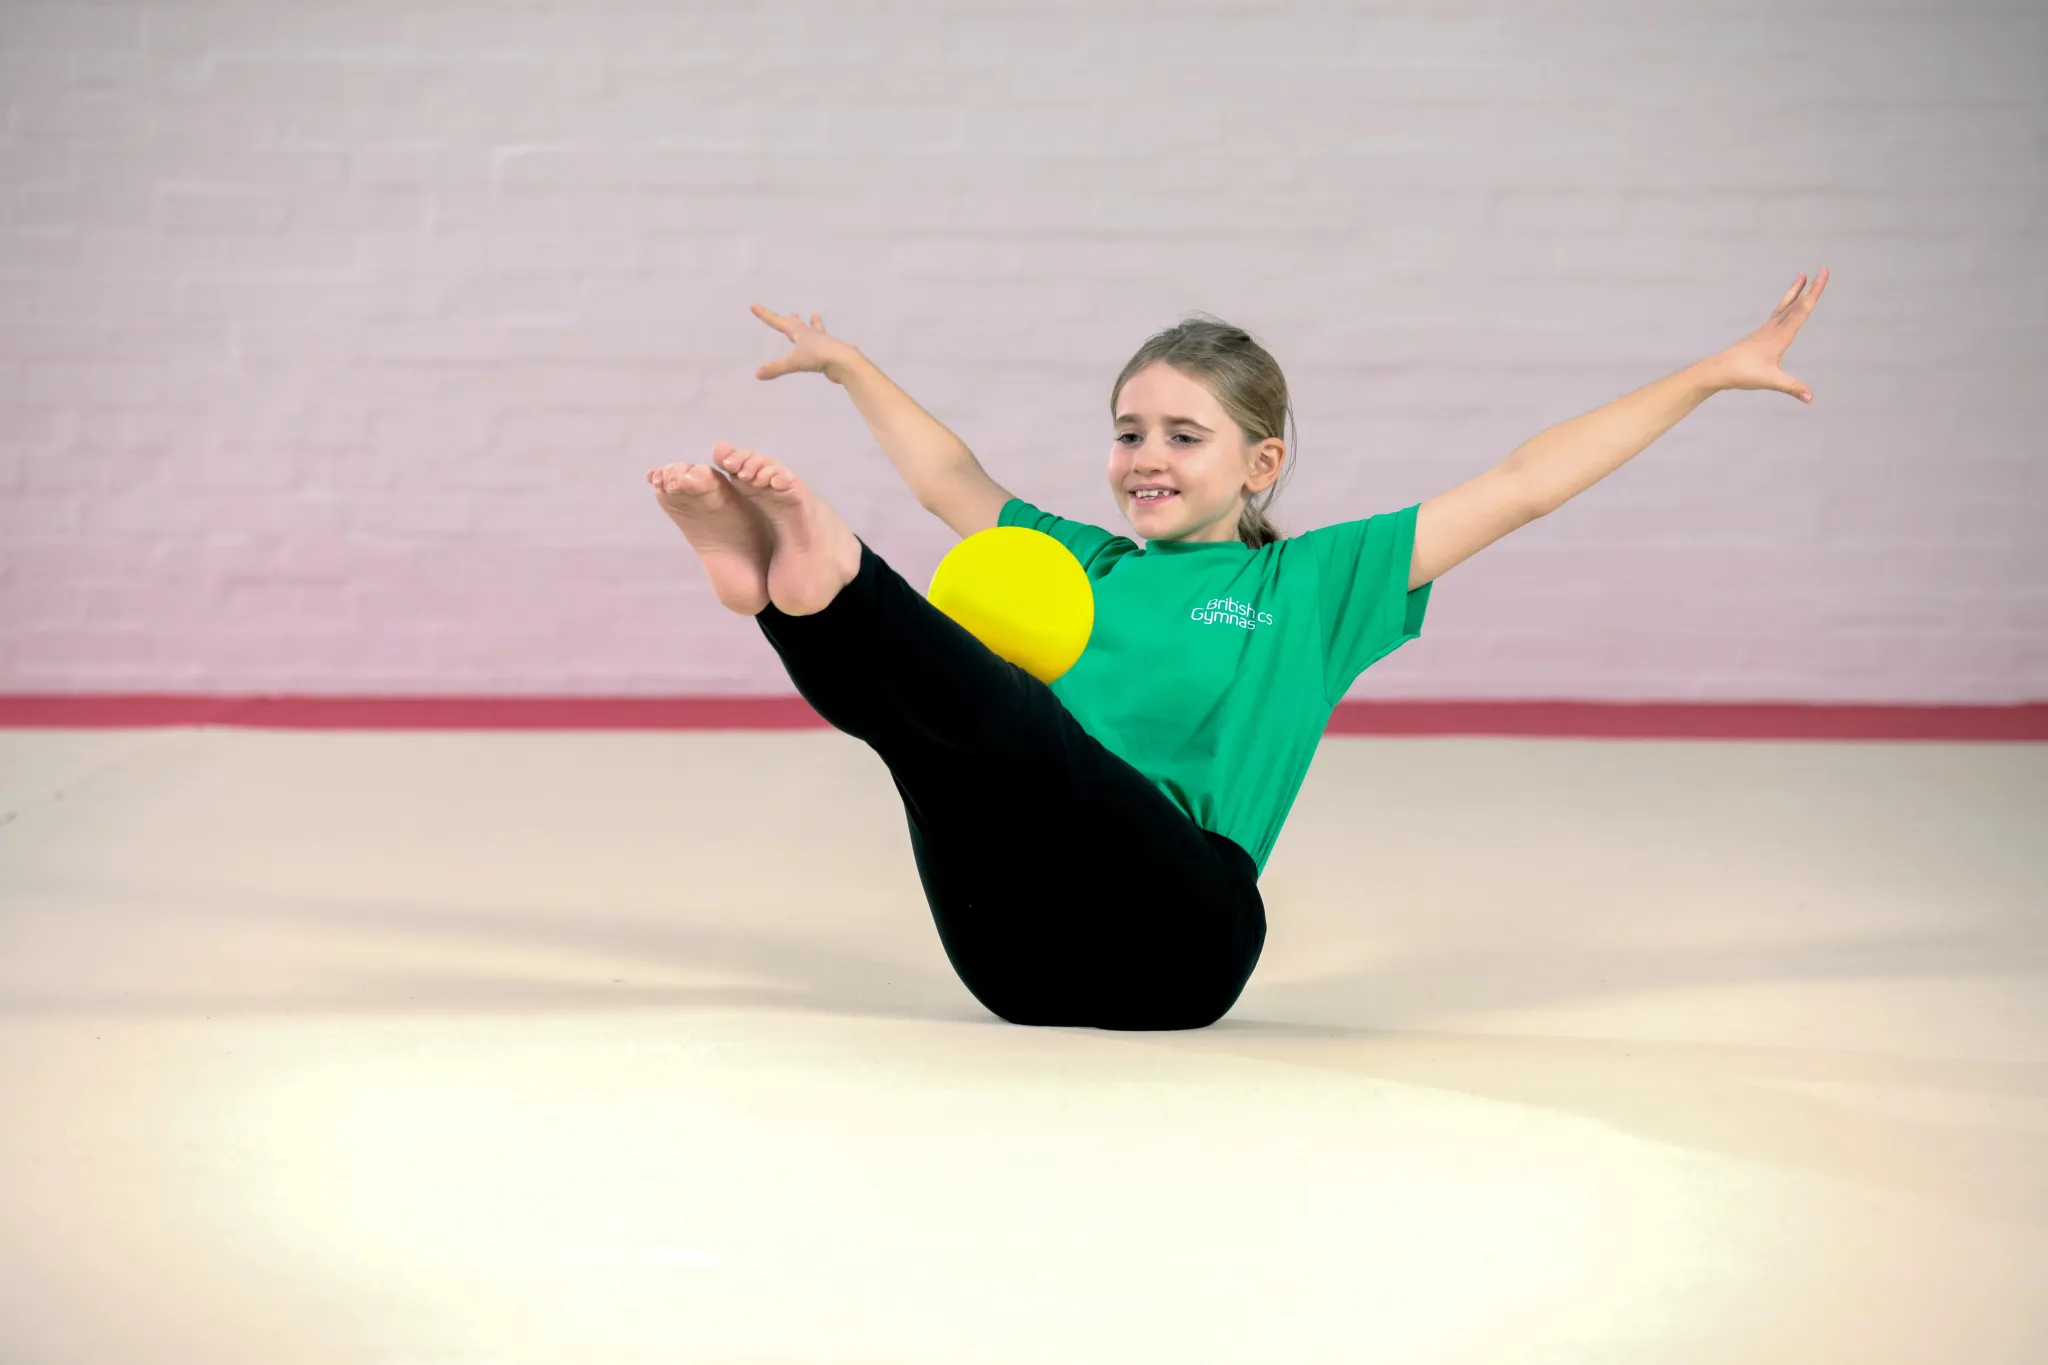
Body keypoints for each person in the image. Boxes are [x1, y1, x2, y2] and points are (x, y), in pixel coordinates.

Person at [647, 274, 1828, 1031]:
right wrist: (849, 364)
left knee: (1012, 725)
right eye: (1125, 433)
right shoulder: (1079, 564)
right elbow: (952, 476)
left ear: (1259, 464)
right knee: (933, 749)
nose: (1142, 457)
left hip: (1177, 946)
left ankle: (815, 581)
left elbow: (1520, 485)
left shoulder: (1310, 584)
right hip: (1007, 963)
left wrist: (1707, 376)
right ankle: (786, 597)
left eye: (1181, 434)